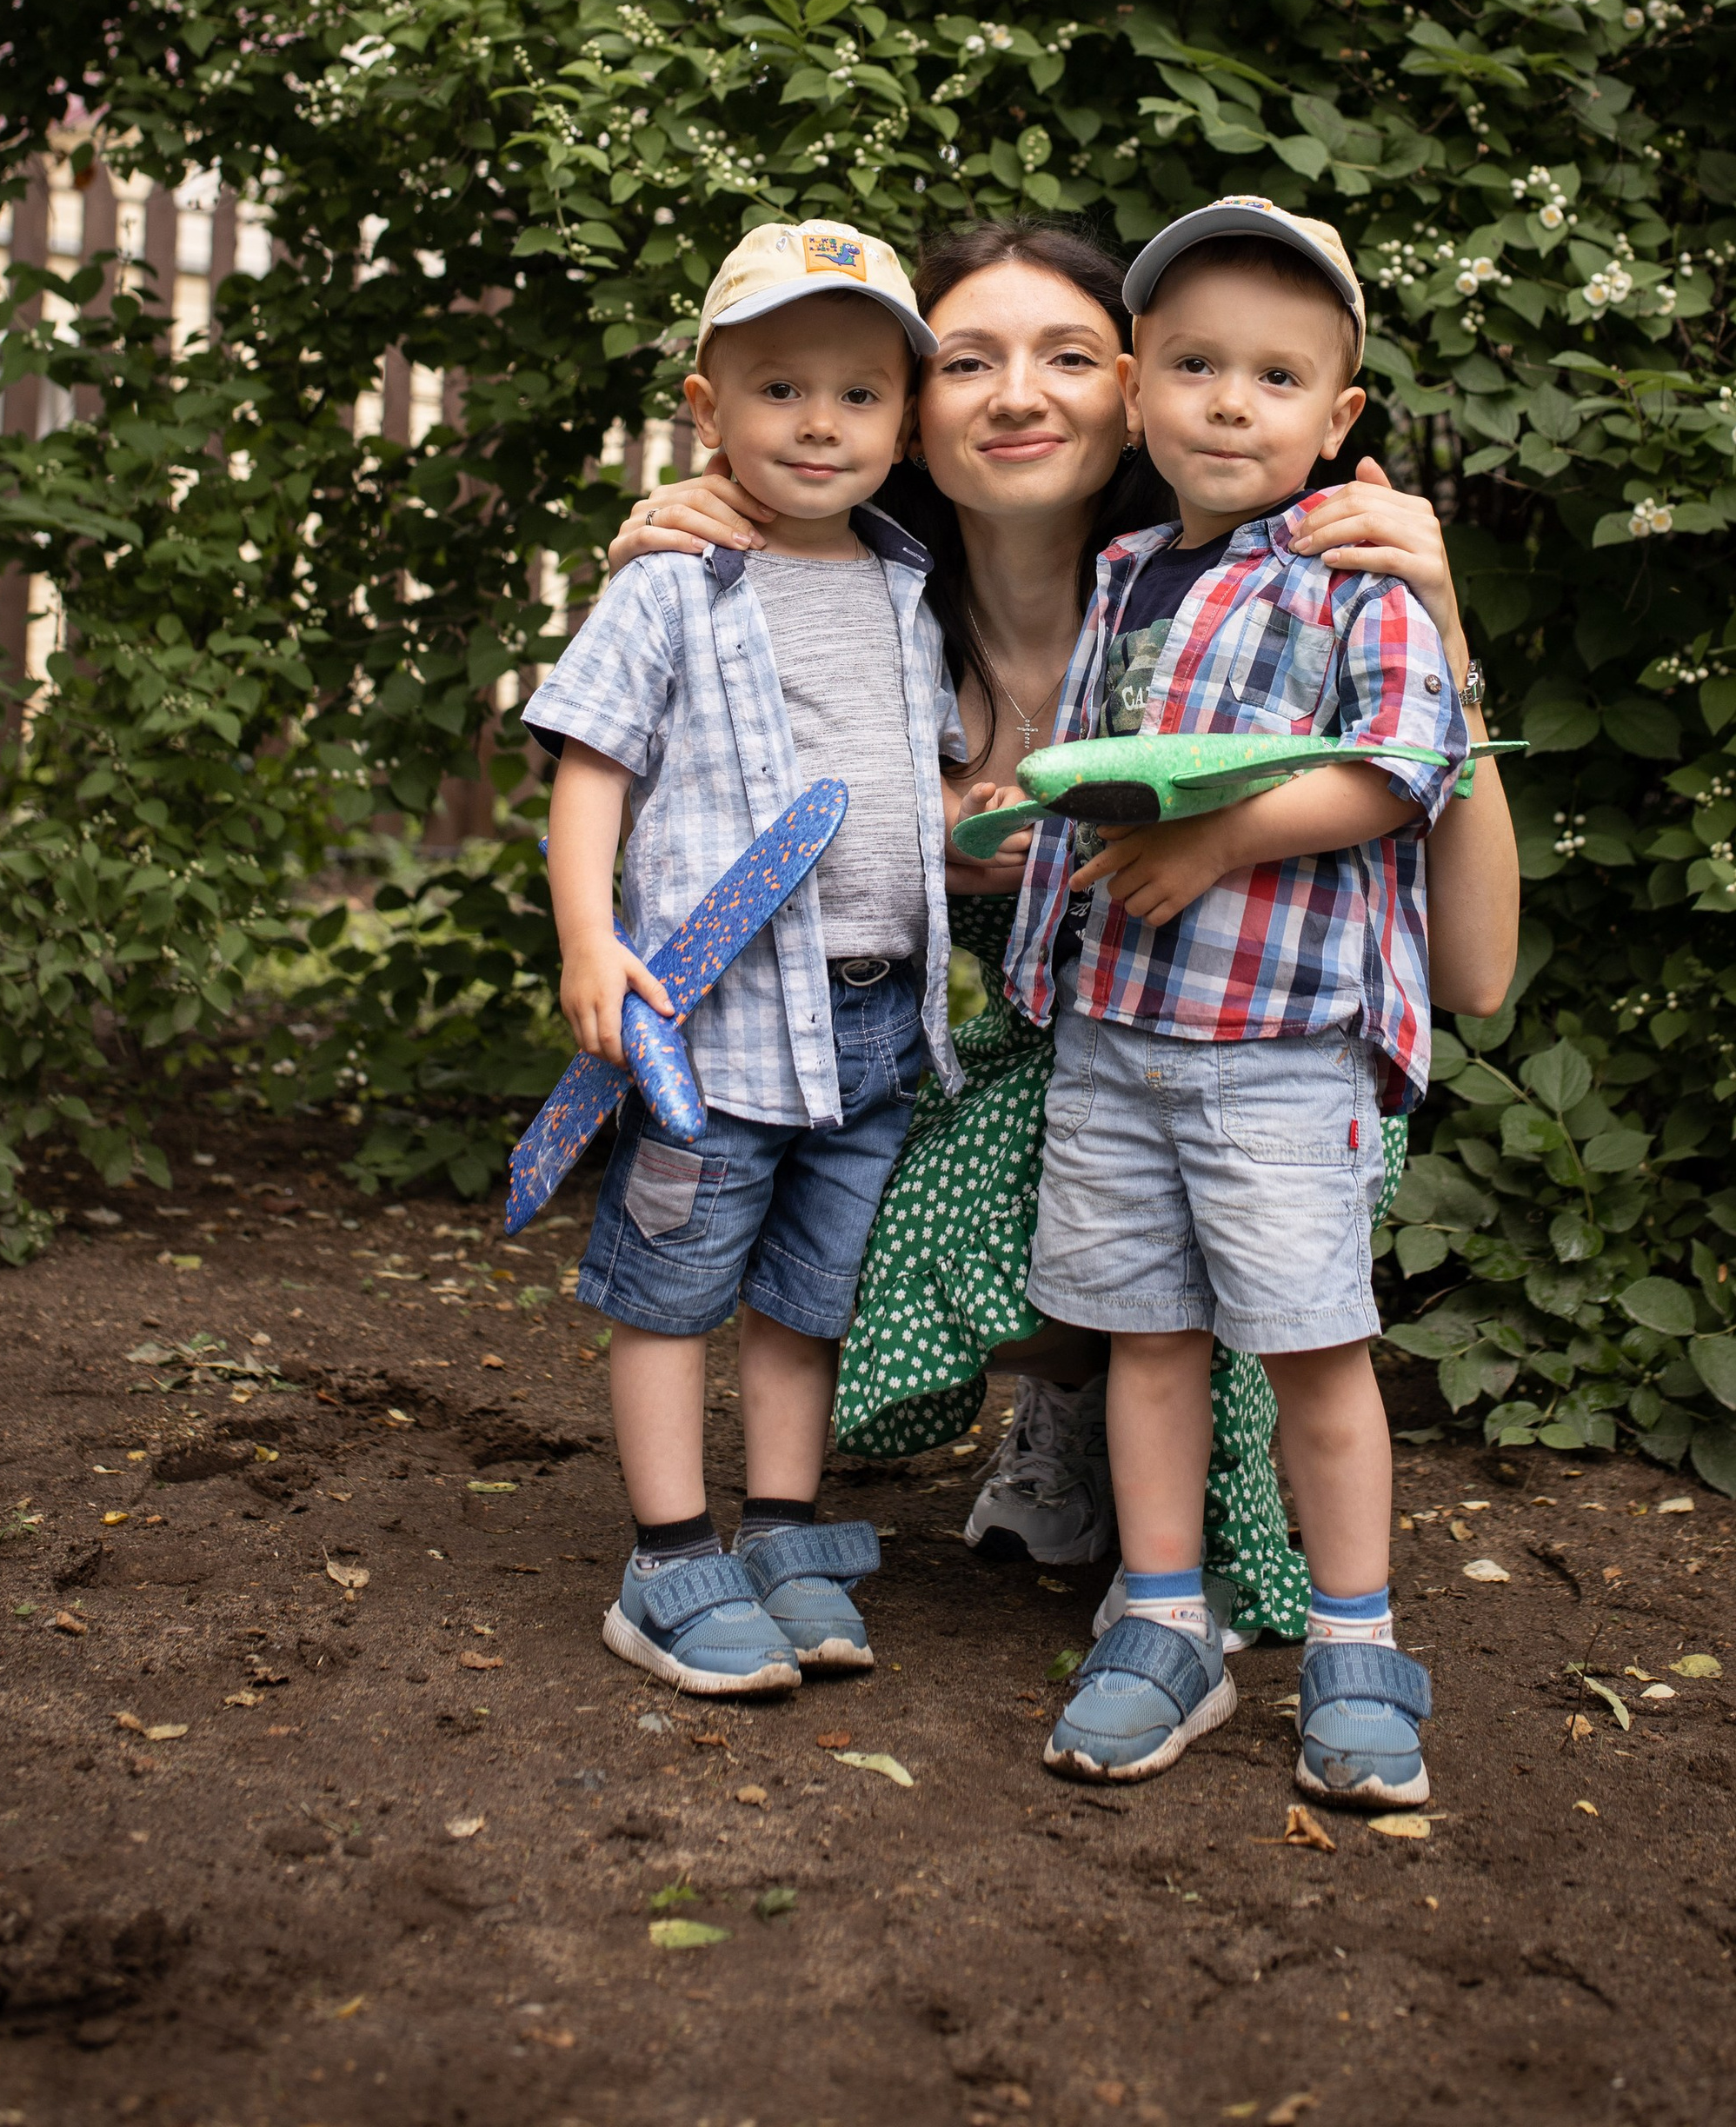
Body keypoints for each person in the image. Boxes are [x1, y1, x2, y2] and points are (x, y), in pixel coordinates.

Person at [604, 216, 1520, 1652]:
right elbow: (668, 796)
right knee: (853, 1173)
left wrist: (1446, 642)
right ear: (911, 410)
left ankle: (1169, 1465)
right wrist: (661, 565)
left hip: (1258, 1056)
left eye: (1069, 356)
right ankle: (1087, 1403)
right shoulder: (854, 608)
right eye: (970, 360)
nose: (1020, 395)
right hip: (1036, 1054)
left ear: (1129, 391)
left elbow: (1474, 973)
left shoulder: (1252, 593)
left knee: (1107, 1161)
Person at [1008, 200, 1464, 1803]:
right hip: (1117, 1037)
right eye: (1195, 367)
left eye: (1277, 378)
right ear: (1138, 392)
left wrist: (1218, 844)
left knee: (1316, 1352)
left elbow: (1407, 762)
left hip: (1278, 1048)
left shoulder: (1350, 570)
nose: (1229, 404)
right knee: (1149, 1339)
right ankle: (1162, 1620)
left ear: (1338, 417)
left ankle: (1355, 1644)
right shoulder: (1127, 573)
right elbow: (1098, 772)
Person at [523, 218, 967, 1701]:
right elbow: (593, 759)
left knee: (809, 1292)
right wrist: (589, 936)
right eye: (780, 389)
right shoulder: (674, 580)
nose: (820, 422)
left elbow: (909, 783)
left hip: (876, 1025)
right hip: (711, 1023)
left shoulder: (907, 588)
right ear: (707, 408)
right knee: (671, 1285)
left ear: (905, 423)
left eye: (858, 393)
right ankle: (664, 1560)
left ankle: (779, 1529)